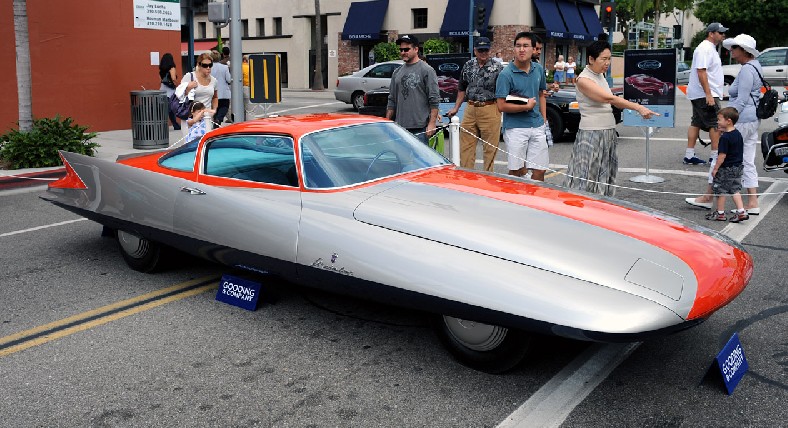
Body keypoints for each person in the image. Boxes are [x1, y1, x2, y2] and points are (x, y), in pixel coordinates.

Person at [564, 40, 657, 196]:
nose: (607, 63)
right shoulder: (584, 79)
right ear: (591, 59)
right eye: (603, 59)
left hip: (607, 131)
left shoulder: (600, 75)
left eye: (609, 59)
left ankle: (600, 207)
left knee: (605, 174)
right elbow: (609, 99)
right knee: (586, 175)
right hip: (591, 133)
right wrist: (638, 107)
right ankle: (578, 210)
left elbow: (614, 100)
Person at [495, 32, 548, 180]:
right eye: (518, 46)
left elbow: (541, 94)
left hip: (537, 125)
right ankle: (514, 201)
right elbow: (501, 106)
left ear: (533, 49)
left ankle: (534, 201)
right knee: (516, 171)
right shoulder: (506, 75)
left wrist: (544, 119)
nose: (521, 49)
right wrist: (526, 107)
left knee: (539, 170)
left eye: (525, 46)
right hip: (515, 128)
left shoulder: (538, 69)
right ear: (514, 49)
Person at [446, 37, 504, 171]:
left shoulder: (498, 68)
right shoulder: (468, 65)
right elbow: (461, 88)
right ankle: (468, 177)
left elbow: (504, 90)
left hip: (490, 107)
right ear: (475, 50)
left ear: (490, 50)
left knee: (490, 148)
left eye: (486, 50)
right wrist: (456, 108)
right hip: (470, 108)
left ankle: (487, 179)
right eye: (480, 50)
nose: (483, 52)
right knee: (465, 147)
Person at [721, 34, 762, 215]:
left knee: (724, 157)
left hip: (743, 120)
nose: (732, 51)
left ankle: (710, 197)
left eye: (735, 48)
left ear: (744, 51)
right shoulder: (755, 66)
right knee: (747, 160)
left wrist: (726, 119)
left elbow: (742, 100)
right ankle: (752, 201)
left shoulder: (747, 70)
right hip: (752, 119)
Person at [683, 22, 728, 166]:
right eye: (720, 32)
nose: (723, 35)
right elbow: (701, 71)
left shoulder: (709, 48)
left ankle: (689, 155)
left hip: (701, 93)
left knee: (696, 122)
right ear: (711, 33)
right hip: (706, 94)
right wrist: (709, 94)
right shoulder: (704, 49)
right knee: (715, 123)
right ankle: (714, 156)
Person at [386, 35, 440, 145]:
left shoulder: (427, 70)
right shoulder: (397, 72)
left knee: (420, 161)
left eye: (406, 49)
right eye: (401, 49)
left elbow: (434, 99)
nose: (403, 52)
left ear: (416, 49)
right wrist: (387, 123)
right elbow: (391, 100)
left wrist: (432, 123)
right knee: (402, 161)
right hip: (399, 127)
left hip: (420, 127)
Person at [705, 107, 748, 223]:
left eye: (719, 119)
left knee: (720, 190)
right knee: (735, 189)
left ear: (728, 121)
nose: (718, 122)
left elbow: (722, 156)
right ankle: (741, 211)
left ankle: (720, 213)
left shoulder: (725, 138)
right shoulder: (737, 133)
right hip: (737, 167)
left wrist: (715, 169)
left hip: (726, 168)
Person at [175, 52, 218, 139]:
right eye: (205, 65)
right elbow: (179, 95)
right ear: (199, 65)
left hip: (206, 117)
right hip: (191, 117)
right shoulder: (189, 76)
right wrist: (188, 88)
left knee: (205, 144)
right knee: (189, 144)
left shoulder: (214, 81)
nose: (208, 68)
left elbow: (215, 97)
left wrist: (214, 109)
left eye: (210, 65)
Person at [158, 53, 180, 130]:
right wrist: (177, 85)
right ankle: (173, 125)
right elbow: (173, 78)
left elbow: (161, 80)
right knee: (170, 110)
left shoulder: (161, 70)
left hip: (162, 90)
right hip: (170, 92)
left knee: (165, 110)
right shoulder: (172, 68)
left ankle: (174, 125)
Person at [210, 51, 232, 126]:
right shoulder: (224, 67)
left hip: (213, 91)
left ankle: (215, 121)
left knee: (215, 108)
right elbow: (229, 79)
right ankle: (219, 119)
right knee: (224, 107)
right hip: (223, 92)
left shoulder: (209, 68)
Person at [242, 55, 253, 119]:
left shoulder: (241, 67)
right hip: (249, 87)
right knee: (249, 109)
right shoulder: (251, 67)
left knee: (242, 107)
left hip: (242, 87)